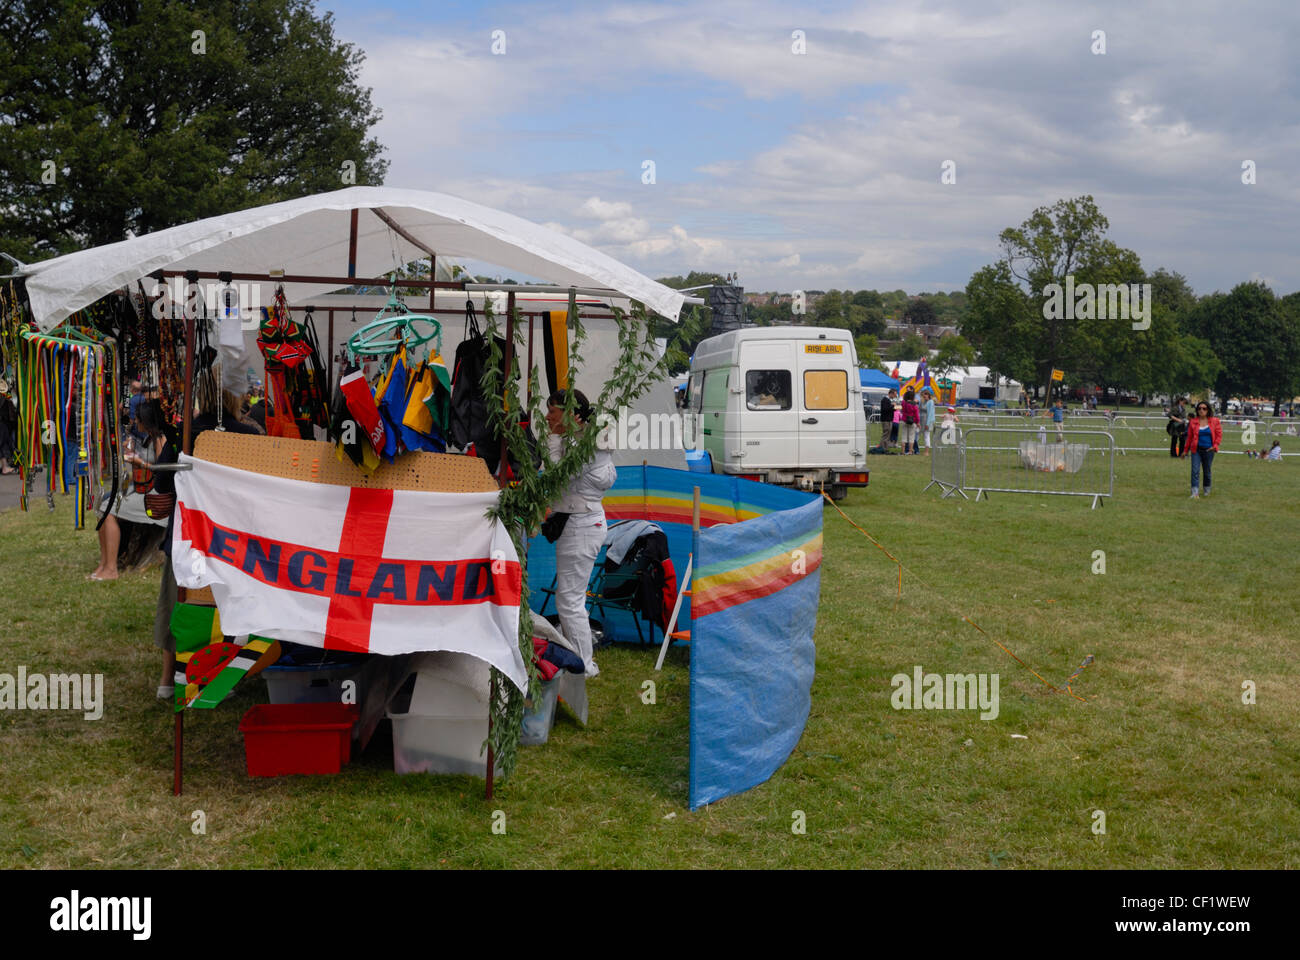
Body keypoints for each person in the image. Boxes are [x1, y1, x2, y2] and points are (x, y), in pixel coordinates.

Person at [545, 388, 616, 678]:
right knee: (570, 598)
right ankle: (577, 655)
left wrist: (552, 440)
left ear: (572, 414)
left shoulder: (584, 445)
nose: (547, 416)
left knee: (569, 600)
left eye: (553, 411)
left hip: (582, 525)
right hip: (580, 523)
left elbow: (556, 473)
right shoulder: (583, 439)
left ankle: (583, 664)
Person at [92, 399, 172, 581]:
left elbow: (161, 471)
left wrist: (139, 462)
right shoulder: (146, 439)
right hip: (143, 491)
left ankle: (111, 568)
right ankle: (104, 563)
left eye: (138, 419)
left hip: (156, 499)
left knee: (108, 511)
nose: (135, 422)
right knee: (101, 507)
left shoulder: (161, 439)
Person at [1181, 400, 1221, 498]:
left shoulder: (1215, 421)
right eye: (1199, 408)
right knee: (1195, 471)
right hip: (1196, 450)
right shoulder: (1193, 422)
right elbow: (1189, 437)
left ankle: (1207, 489)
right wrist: (1185, 451)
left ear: (1208, 410)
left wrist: (1215, 446)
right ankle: (1194, 492)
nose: (1201, 410)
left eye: (1204, 408)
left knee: (1207, 471)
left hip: (1209, 450)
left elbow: (1219, 435)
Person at [900, 388, 920, 455]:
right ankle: (910, 451)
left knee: (904, 436)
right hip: (912, 421)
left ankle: (903, 451)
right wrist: (918, 422)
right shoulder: (914, 405)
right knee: (911, 437)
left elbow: (901, 410)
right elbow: (916, 415)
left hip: (904, 420)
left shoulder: (903, 403)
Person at [921, 387, 936, 454]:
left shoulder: (930, 402)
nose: (924, 396)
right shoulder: (924, 402)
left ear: (928, 395)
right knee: (923, 435)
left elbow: (930, 414)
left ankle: (926, 451)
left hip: (927, 422)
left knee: (927, 436)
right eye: (923, 395)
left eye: (925, 394)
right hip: (922, 421)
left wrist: (927, 424)